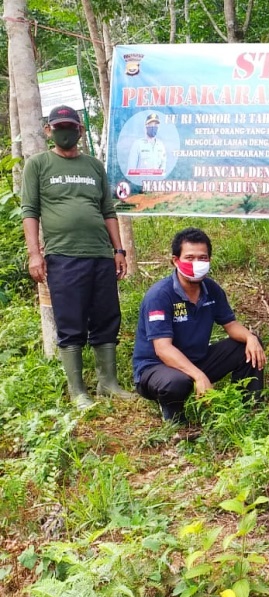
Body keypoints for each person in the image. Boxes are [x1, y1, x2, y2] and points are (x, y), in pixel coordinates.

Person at [21, 105, 133, 410]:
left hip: (100, 254)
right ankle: (77, 390)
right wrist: (35, 254)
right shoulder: (39, 164)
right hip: (63, 255)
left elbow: (108, 211)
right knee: (70, 321)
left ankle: (108, 383)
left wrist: (119, 251)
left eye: (70, 126)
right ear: (49, 131)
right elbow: (30, 211)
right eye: (59, 127)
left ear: (80, 131)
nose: (65, 132)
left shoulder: (94, 166)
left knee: (106, 316)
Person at [132, 227, 266, 423]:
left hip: (196, 359)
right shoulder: (160, 295)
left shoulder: (211, 289)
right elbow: (162, 349)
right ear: (175, 260)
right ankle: (174, 415)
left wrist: (250, 337)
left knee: (248, 347)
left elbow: (231, 324)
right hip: (156, 368)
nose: (196, 263)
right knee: (177, 381)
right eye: (189, 257)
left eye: (202, 258)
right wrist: (199, 375)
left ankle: (249, 411)